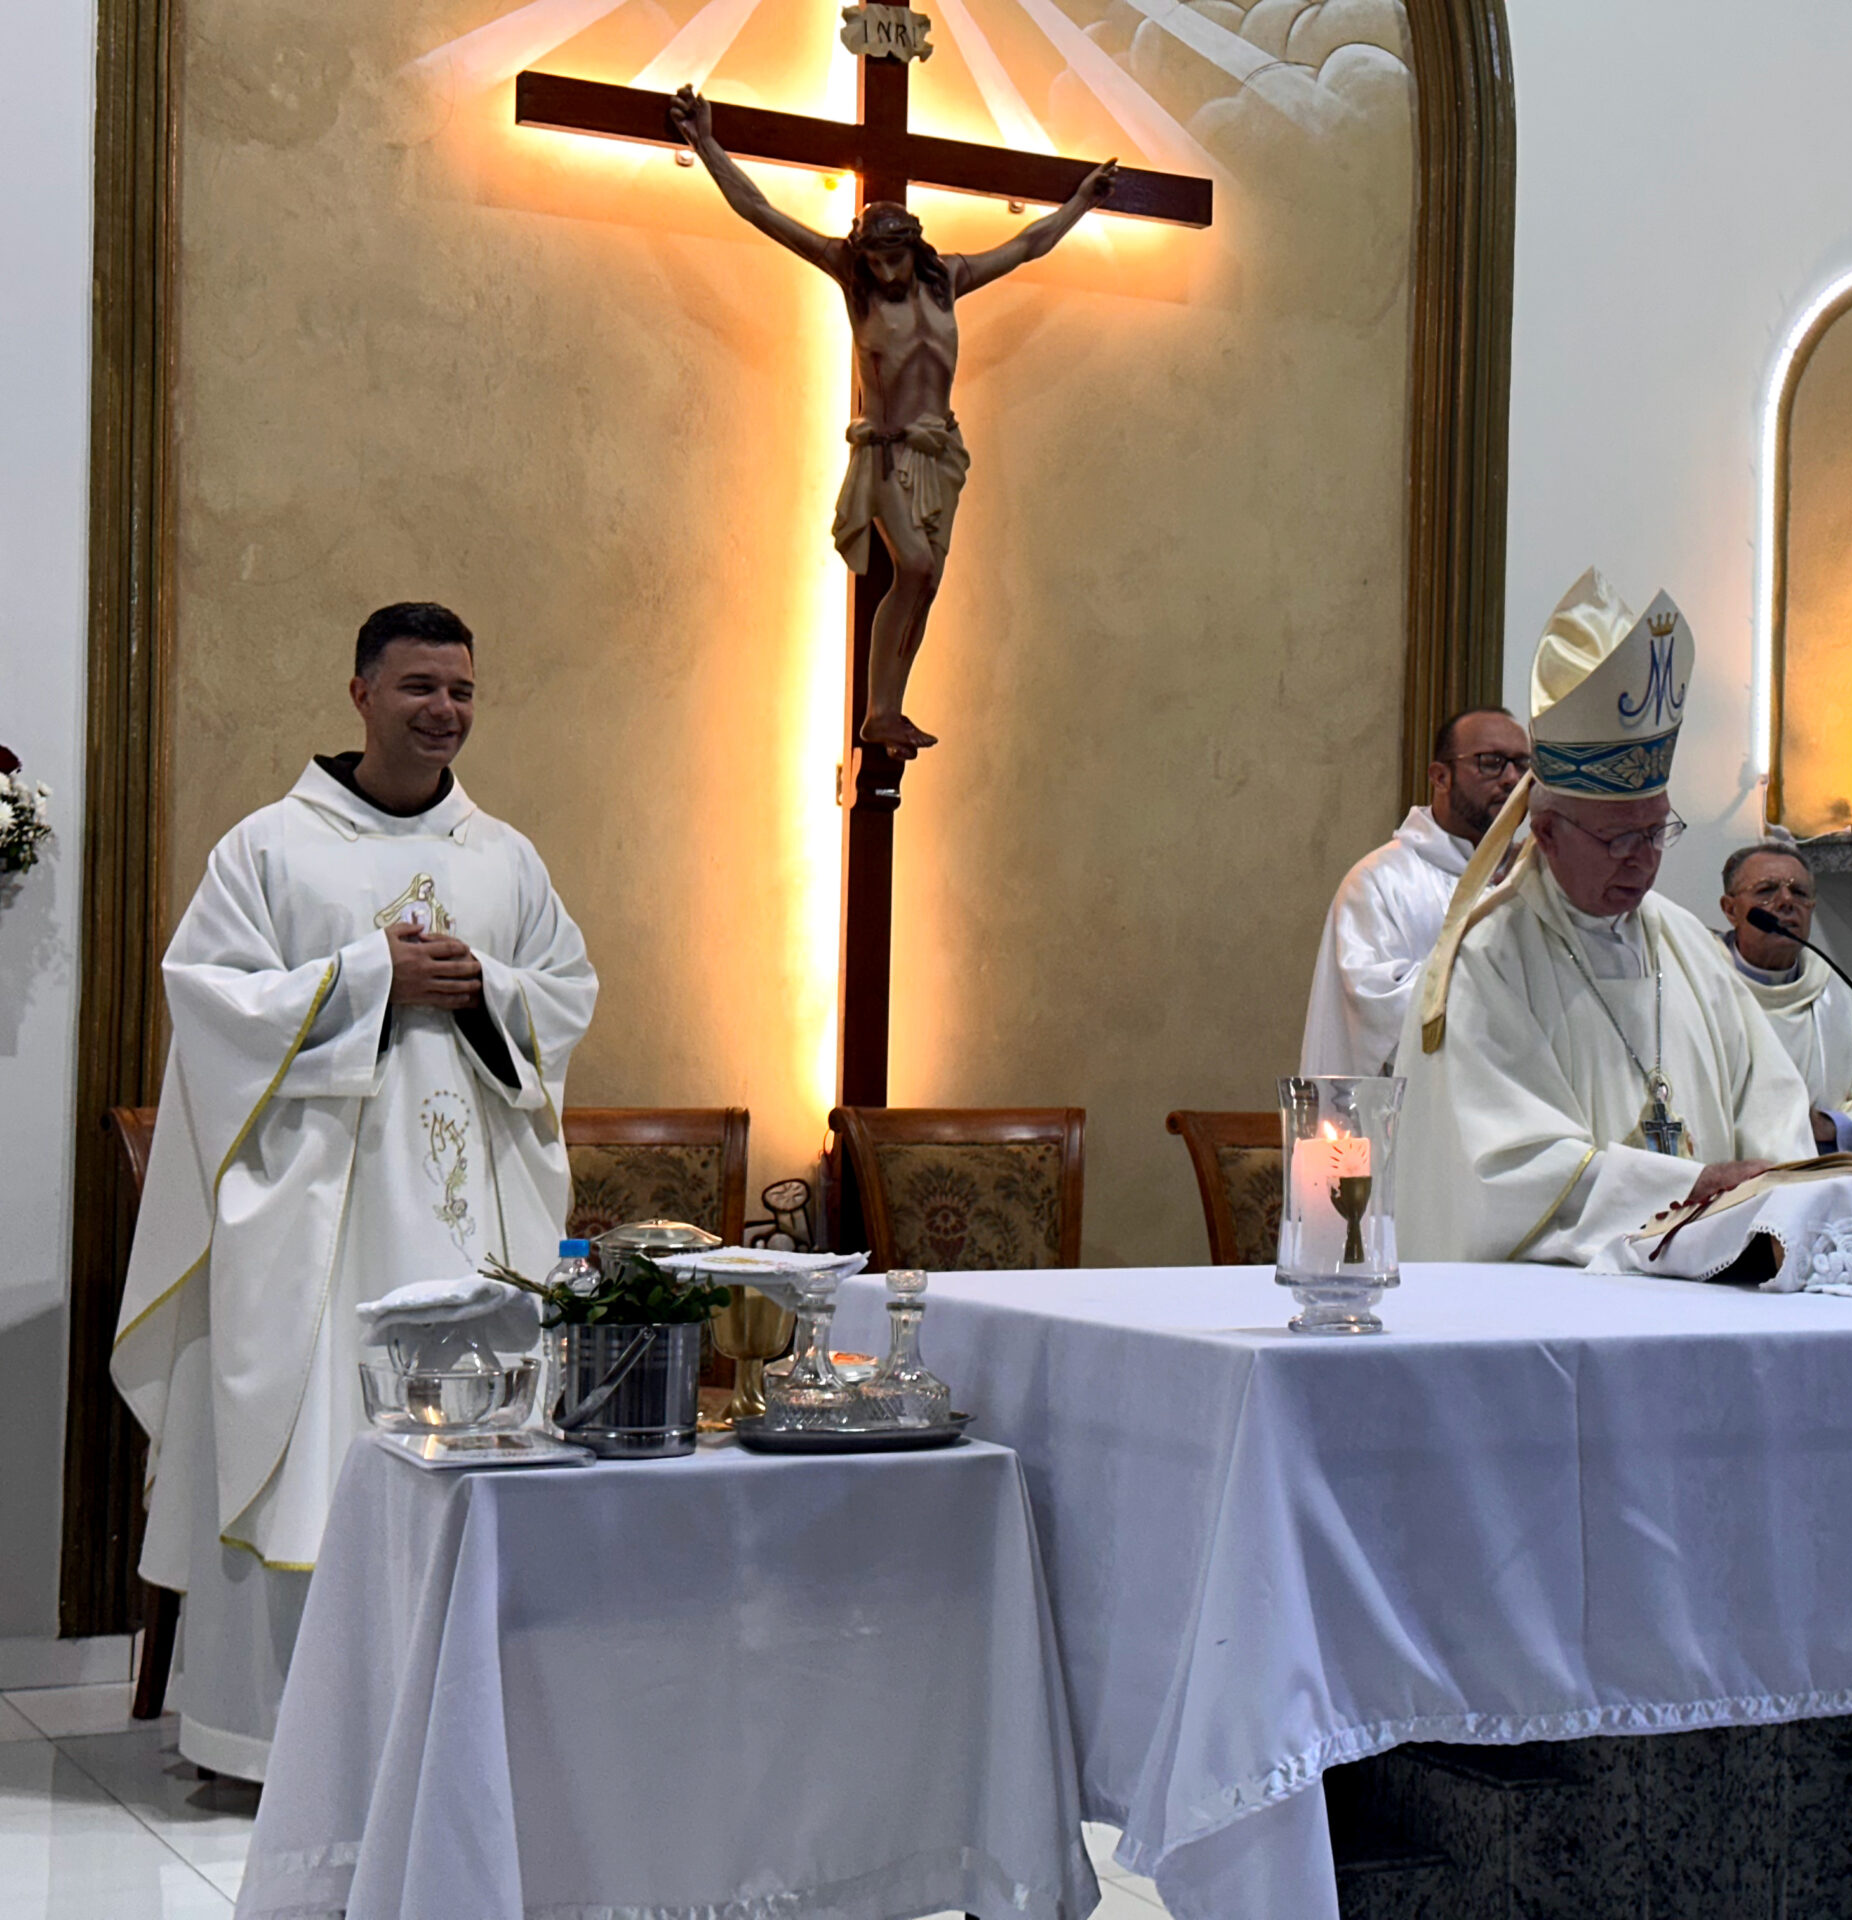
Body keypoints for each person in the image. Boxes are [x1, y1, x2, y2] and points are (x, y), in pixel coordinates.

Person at [112, 602, 597, 1779]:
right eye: (420, 686)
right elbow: (211, 1004)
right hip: (316, 1232)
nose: (444, 712)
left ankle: (459, 1733)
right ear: (361, 694)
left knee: (472, 1447)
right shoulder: (270, 849)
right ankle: (271, 1747)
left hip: (464, 1224)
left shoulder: (506, 859)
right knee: (307, 1448)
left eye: (464, 692)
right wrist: (373, 978)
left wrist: (484, 988)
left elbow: (565, 993)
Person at [670, 85, 1118, 760]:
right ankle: (879, 711)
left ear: (915, 249)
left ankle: (888, 711)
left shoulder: (950, 282)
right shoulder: (854, 284)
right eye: (873, 262)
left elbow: (1028, 244)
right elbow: (762, 212)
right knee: (910, 564)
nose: (882, 272)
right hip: (882, 453)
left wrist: (1081, 201)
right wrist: (707, 144)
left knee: (927, 579)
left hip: (940, 455)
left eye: (892, 260)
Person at [1396, 569, 1816, 1264]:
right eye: (1617, 838)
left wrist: (1772, 1199)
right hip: (1560, 1312)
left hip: (1716, 1286)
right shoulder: (1487, 961)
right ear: (1548, 832)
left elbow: (1768, 1098)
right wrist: (1685, 1189)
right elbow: (1505, 1169)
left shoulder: (1687, 945)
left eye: (1655, 832)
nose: (1642, 860)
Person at [1299, 707, 1531, 1076]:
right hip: (1412, 1116)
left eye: (1523, 766)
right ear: (1440, 777)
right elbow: (1377, 1011)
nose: (1512, 779)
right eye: (1492, 763)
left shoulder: (1535, 882)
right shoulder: (1380, 882)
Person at [1712, 837, 1852, 1164]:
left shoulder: (1838, 995)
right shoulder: (1702, 987)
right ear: (1730, 909)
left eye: (1800, 893)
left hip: (1828, 1185)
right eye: (1766, 890)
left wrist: (1831, 1127)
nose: (1785, 901)